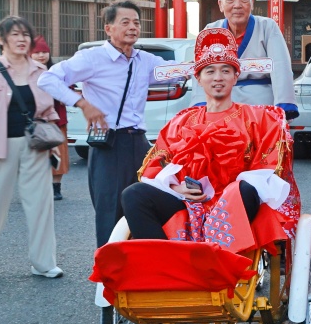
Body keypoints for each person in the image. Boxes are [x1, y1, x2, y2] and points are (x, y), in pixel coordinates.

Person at [120, 28, 299, 249]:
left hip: (235, 203)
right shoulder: (182, 120)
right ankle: (164, 260)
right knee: (134, 194)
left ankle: (216, 256)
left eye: (225, 71)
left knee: (244, 189)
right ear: (198, 78)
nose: (218, 78)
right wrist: (177, 189)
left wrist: (227, 190)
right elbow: (156, 167)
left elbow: (268, 168)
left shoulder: (258, 117)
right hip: (186, 202)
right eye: (210, 71)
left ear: (236, 76)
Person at [38, 1, 177, 247]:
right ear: (108, 28)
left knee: (146, 206)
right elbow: (47, 79)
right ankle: (107, 279)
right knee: (111, 213)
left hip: (141, 143)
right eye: (125, 22)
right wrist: (82, 103)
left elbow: (179, 72)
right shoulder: (92, 58)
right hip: (109, 145)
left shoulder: (144, 60)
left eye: (136, 22)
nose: (132, 27)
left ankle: (142, 271)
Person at [0, 17, 62, 281]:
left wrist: (56, 148)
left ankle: (43, 262)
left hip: (36, 147)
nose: (22, 39)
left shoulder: (40, 72)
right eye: (15, 35)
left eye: (25, 35)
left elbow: (49, 113)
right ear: (2, 40)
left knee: (41, 205)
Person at [204, 0, 298, 119]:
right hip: (222, 105)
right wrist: (200, 105)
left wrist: (284, 107)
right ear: (220, 5)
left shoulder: (267, 26)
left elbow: (280, 66)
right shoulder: (211, 31)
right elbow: (201, 71)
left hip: (262, 105)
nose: (237, 5)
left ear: (252, 3)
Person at [30, 37, 69, 201]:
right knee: (36, 156)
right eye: (37, 52)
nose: (41, 56)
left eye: (44, 52)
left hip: (57, 120)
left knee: (60, 154)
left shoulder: (56, 70)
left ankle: (56, 188)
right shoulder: (26, 72)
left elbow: (69, 90)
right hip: (35, 121)